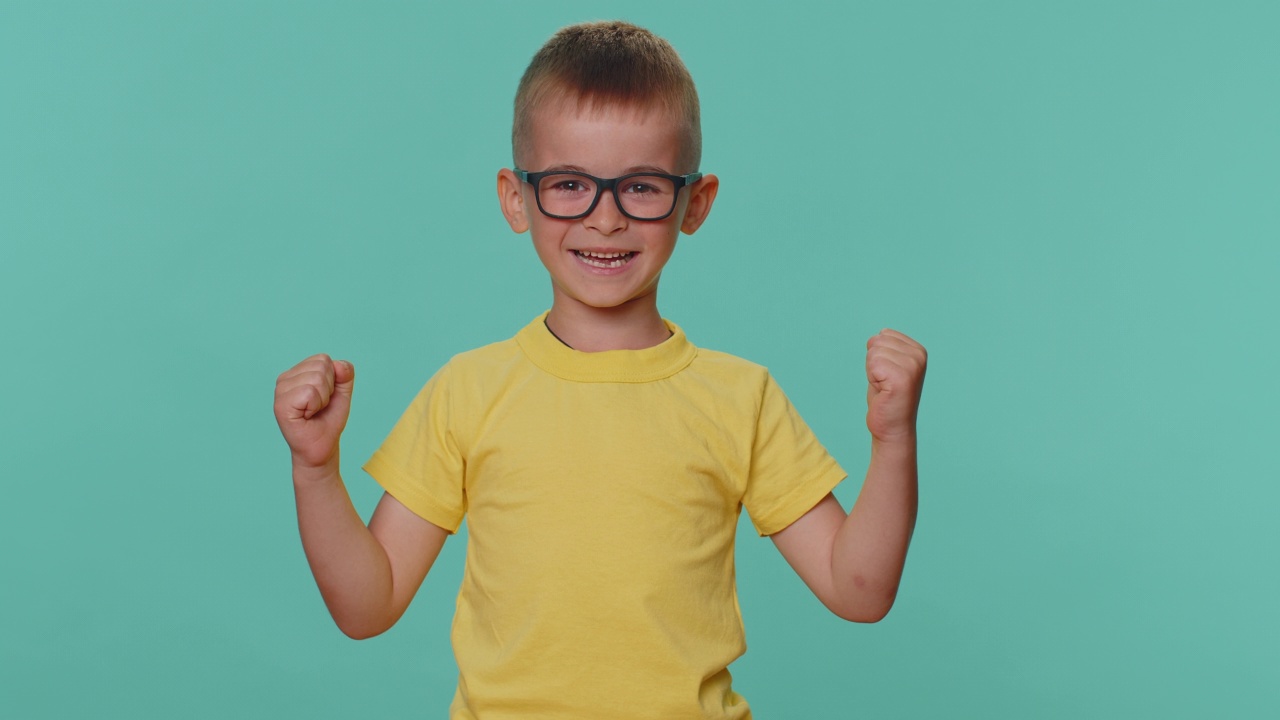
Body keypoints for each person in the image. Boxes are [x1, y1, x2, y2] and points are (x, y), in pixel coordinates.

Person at [273, 20, 927, 720]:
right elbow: (367, 607)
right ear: (516, 198)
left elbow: (859, 593)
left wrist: (893, 442)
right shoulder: (467, 393)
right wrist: (315, 470)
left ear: (695, 203)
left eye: (641, 187)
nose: (605, 219)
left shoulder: (743, 399)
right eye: (569, 184)